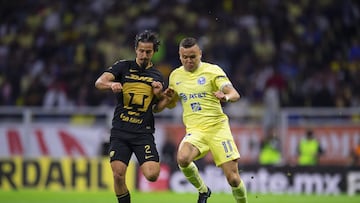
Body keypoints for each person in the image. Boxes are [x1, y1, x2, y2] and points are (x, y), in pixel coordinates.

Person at [159, 37, 248, 203]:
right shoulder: (175, 76)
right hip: (195, 131)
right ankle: (203, 190)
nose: (188, 60)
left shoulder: (212, 71)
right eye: (185, 57)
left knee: (233, 179)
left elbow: (235, 94)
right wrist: (166, 99)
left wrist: (226, 97)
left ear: (200, 54)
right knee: (182, 158)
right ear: (180, 56)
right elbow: (171, 105)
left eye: (192, 56)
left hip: (217, 129)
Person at [95, 30, 167, 203]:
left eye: (148, 52)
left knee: (152, 175)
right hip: (121, 130)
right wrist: (111, 85)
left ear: (154, 52)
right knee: (118, 174)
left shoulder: (157, 76)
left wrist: (160, 95)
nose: (144, 55)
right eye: (141, 51)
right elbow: (99, 83)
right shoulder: (122, 67)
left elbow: (157, 109)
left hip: (143, 133)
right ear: (136, 49)